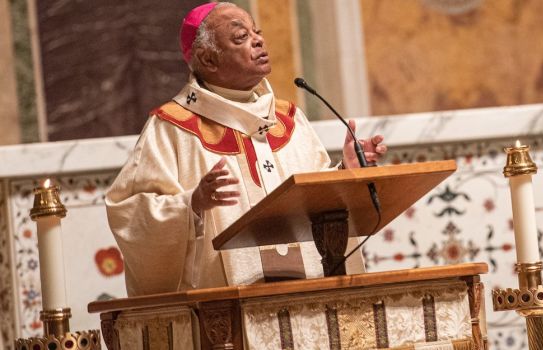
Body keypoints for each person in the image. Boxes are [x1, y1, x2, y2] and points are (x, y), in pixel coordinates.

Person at [106, 2, 387, 296]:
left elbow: (316, 198)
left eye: (257, 32)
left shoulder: (289, 118)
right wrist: (192, 204)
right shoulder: (173, 128)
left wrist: (345, 171)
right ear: (208, 58)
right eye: (241, 38)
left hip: (310, 293)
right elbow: (128, 213)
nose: (258, 40)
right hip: (225, 312)